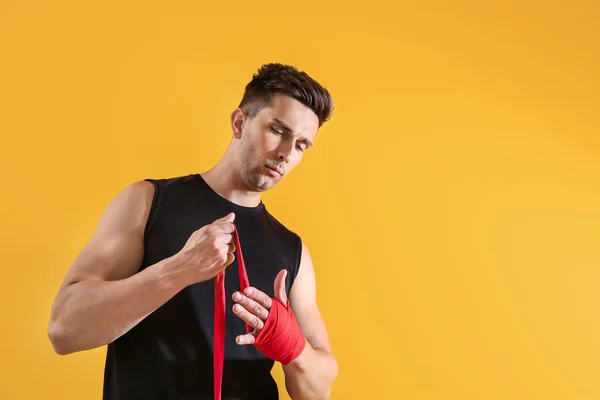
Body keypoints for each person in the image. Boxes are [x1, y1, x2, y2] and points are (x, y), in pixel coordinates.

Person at [47, 63, 339, 400]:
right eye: (278, 130)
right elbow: (64, 330)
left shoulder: (292, 250)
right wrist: (178, 270)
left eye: (302, 145)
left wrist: (291, 345)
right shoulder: (149, 202)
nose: (286, 153)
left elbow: (318, 391)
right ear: (239, 122)